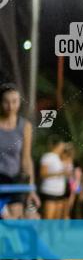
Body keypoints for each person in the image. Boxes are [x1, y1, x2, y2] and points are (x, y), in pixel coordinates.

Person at [0, 84, 39, 218]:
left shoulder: (25, 126)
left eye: (14, 101)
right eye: (6, 102)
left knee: (16, 220)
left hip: (15, 181)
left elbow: (26, 159)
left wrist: (31, 188)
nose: (10, 106)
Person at [39, 137, 71, 219]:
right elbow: (42, 174)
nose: (64, 147)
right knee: (48, 219)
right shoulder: (48, 156)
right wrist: (59, 173)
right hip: (50, 191)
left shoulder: (60, 158)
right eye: (62, 145)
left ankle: (54, 232)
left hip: (60, 192)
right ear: (58, 145)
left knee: (56, 220)